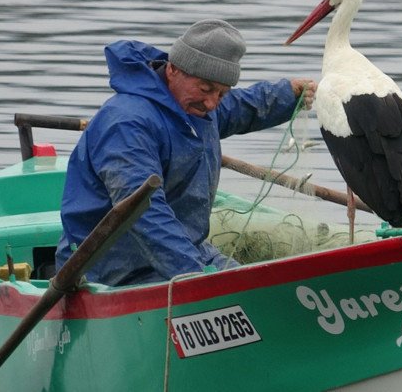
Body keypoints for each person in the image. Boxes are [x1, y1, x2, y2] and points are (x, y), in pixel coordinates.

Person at [55, 19, 317, 286]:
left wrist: (286, 95)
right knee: (229, 291)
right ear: (173, 70)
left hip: (188, 249)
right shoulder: (127, 123)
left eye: (221, 93)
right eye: (205, 89)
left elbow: (240, 107)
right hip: (111, 268)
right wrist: (195, 278)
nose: (212, 103)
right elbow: (144, 211)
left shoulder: (197, 107)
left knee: (256, 286)